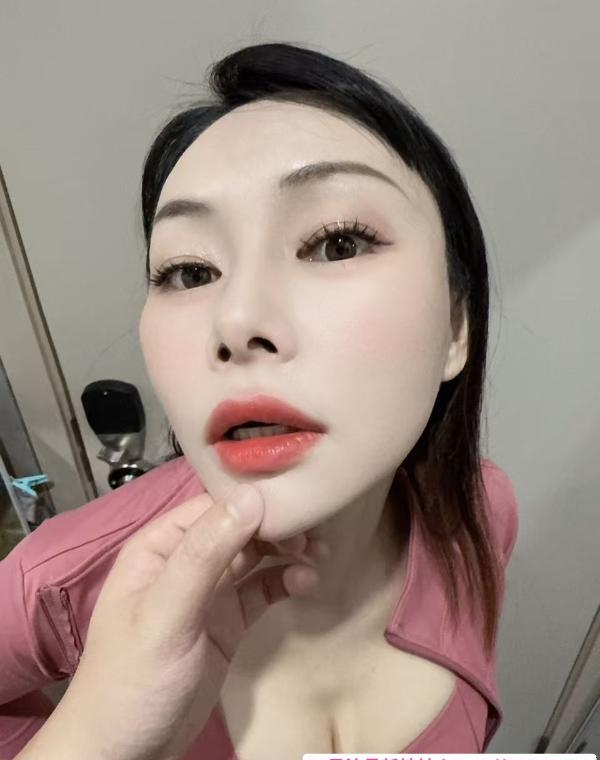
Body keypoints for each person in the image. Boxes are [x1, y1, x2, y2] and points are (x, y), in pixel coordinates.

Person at [0, 42, 519, 759]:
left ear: (457, 327)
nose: (237, 319)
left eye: (337, 243)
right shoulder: (60, 577)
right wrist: (83, 740)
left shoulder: (482, 512)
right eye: (189, 271)